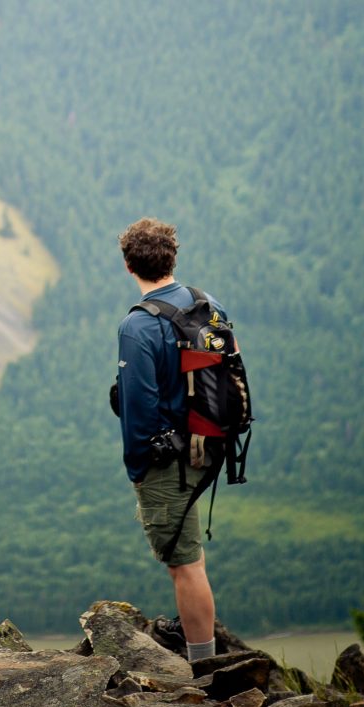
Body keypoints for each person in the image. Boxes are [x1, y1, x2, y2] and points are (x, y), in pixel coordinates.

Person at [115, 217, 222, 662]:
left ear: (128, 265)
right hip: (206, 442)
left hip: (165, 460)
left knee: (185, 564)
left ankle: (205, 669)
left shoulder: (137, 327)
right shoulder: (205, 302)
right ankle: (203, 653)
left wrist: (137, 466)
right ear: (172, 257)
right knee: (188, 559)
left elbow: (139, 407)